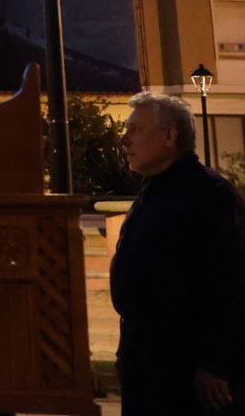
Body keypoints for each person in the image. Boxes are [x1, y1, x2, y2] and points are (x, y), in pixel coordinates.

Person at [111, 91, 245, 414]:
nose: (125, 140)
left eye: (135, 130)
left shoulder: (209, 197)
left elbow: (230, 281)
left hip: (183, 375)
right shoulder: (156, 190)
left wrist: (216, 363)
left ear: (169, 135)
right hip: (149, 366)